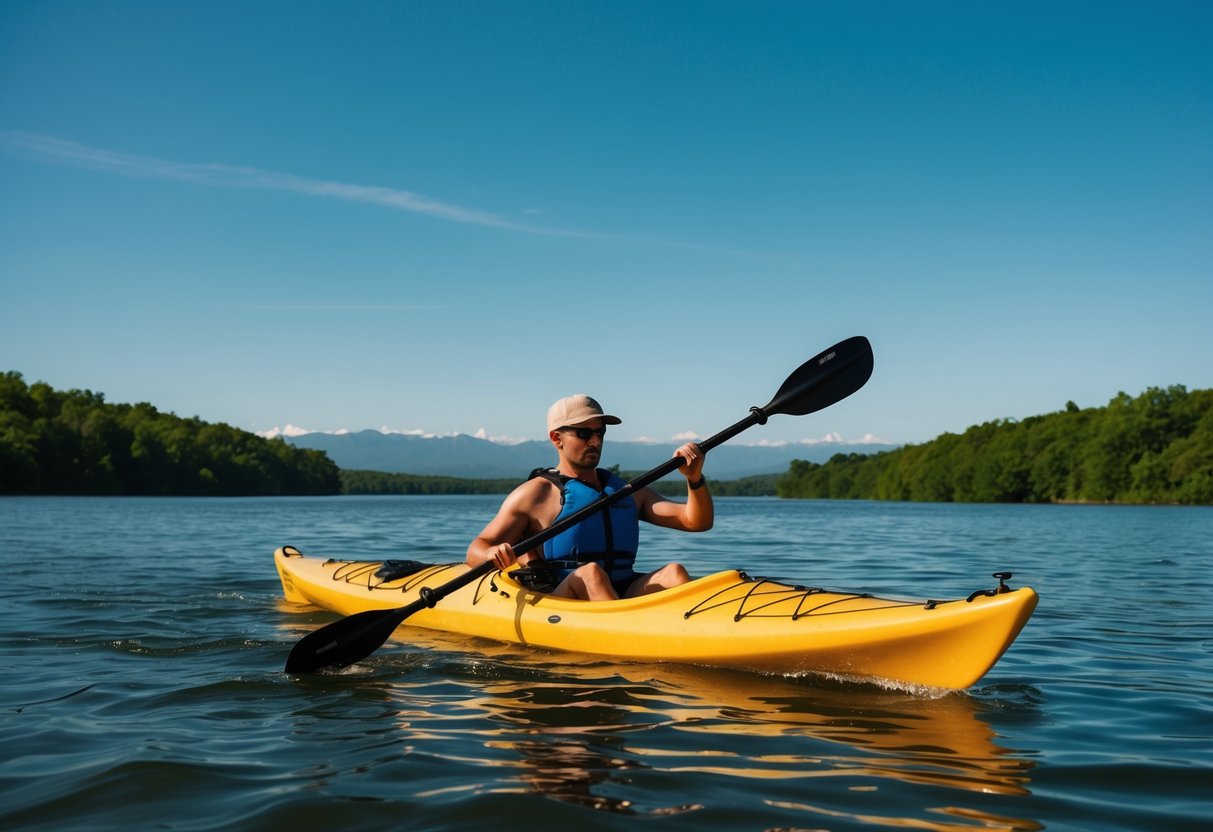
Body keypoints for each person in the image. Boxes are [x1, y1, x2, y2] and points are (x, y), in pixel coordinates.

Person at [467, 394, 713, 601]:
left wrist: (694, 478)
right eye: (584, 433)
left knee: (674, 573)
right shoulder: (535, 494)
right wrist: (492, 554)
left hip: (621, 592)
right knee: (590, 574)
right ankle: (629, 641)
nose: (595, 441)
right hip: (565, 600)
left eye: (600, 433)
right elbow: (476, 550)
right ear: (557, 438)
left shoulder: (625, 491)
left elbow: (696, 521)